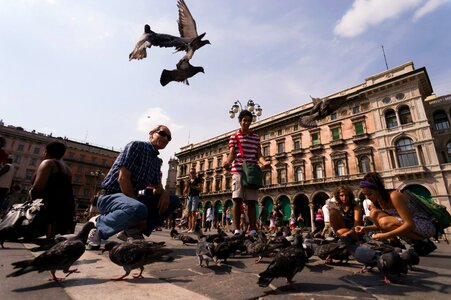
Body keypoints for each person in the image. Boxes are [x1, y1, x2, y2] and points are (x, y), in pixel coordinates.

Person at [87, 125, 181, 249]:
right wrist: (139, 212)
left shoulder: (156, 161)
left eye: (169, 137)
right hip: (110, 196)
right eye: (162, 134)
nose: (165, 138)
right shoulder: (137, 146)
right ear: (151, 133)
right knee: (138, 208)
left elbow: (157, 187)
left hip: (129, 199)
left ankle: (131, 231)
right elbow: (123, 178)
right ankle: (98, 226)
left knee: (174, 200)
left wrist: (164, 193)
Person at [222, 110, 270, 236]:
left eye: (249, 120)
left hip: (251, 172)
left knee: (251, 201)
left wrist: (264, 162)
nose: (247, 123)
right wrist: (227, 162)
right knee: (237, 200)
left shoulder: (255, 137)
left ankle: (253, 229)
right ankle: (237, 229)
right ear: (240, 121)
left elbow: (258, 155)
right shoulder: (234, 137)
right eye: (244, 120)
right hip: (238, 170)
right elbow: (232, 154)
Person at [355, 172, 436, 244]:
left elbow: (409, 224)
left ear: (378, 190)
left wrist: (385, 235)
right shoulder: (376, 202)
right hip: (407, 228)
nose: (367, 197)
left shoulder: (394, 196)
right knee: (374, 213)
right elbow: (382, 225)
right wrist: (366, 229)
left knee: (384, 221)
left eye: (369, 194)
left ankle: (423, 240)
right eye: (364, 195)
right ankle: (395, 242)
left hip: (423, 225)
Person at [30, 141, 76, 238]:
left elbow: (38, 187)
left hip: (49, 209)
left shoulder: (48, 163)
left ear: (46, 152)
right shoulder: (68, 169)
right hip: (64, 210)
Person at [183, 168, 203, 233]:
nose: (192, 174)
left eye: (193, 173)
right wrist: (186, 187)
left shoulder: (198, 179)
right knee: (189, 213)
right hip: (189, 197)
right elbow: (185, 191)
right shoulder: (188, 181)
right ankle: (189, 228)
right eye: (191, 173)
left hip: (195, 196)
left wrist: (192, 186)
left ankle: (193, 228)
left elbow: (200, 188)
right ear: (190, 174)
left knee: (193, 212)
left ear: (195, 173)